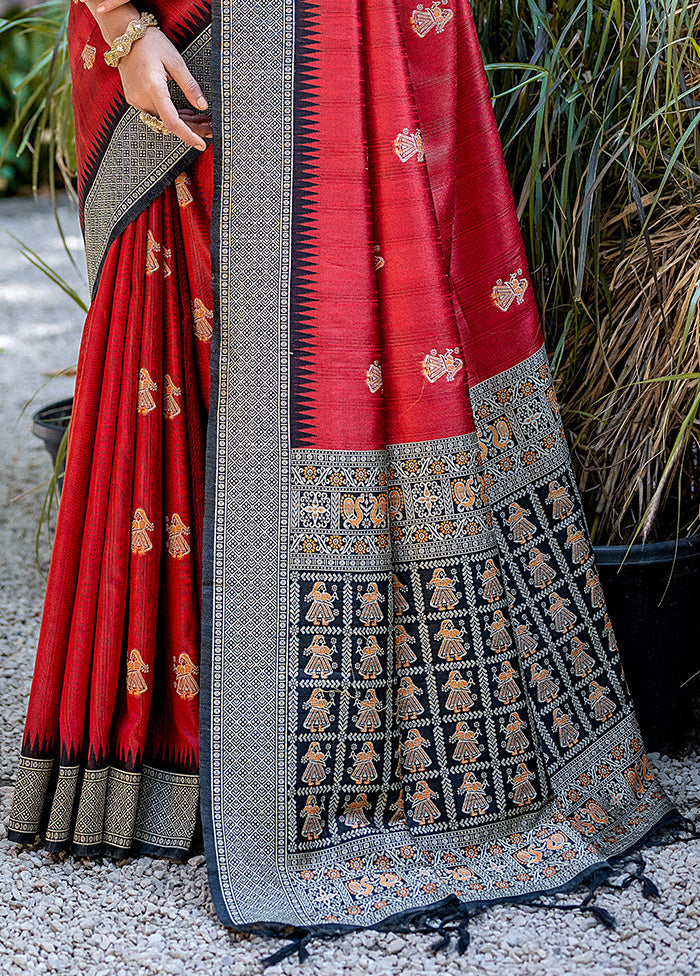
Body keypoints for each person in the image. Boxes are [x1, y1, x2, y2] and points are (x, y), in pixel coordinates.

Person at [8, 0, 679, 954]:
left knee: (393, 330)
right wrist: (125, 28)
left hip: (389, 37)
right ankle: (177, 768)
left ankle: (374, 757)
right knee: (211, 328)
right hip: (207, 36)